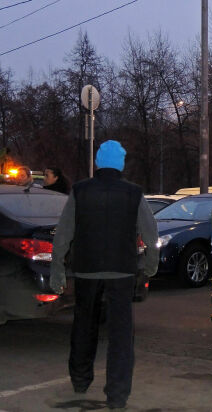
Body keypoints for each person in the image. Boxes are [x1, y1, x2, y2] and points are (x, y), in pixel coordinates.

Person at [51, 140, 159, 410]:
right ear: (120, 164)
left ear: (98, 162)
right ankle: (117, 395)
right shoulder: (133, 193)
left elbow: (63, 234)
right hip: (122, 270)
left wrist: (58, 271)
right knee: (121, 335)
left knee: (83, 325)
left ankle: (80, 379)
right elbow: (151, 232)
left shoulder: (80, 190)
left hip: (86, 269)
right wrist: (149, 265)